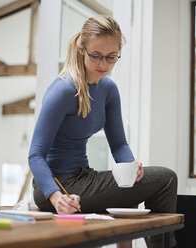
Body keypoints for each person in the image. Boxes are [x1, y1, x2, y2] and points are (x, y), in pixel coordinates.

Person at [28, 15, 177, 248]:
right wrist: (57, 197)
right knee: (165, 178)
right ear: (81, 49)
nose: (103, 64)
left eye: (111, 57)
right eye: (95, 56)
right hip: (57, 186)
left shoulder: (108, 89)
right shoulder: (63, 90)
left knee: (131, 187)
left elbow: (118, 143)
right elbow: (35, 155)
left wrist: (130, 166)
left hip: (83, 177)